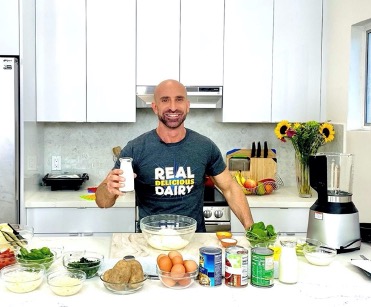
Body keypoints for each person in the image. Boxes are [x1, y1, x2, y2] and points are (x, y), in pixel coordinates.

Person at [95, 79, 254, 232]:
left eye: (179, 99)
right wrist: (108, 188)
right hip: (150, 241)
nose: (173, 107)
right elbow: (102, 202)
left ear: (187, 106)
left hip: (193, 241)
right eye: (165, 100)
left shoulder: (205, 146)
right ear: (155, 107)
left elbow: (230, 189)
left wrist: (251, 230)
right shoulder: (135, 149)